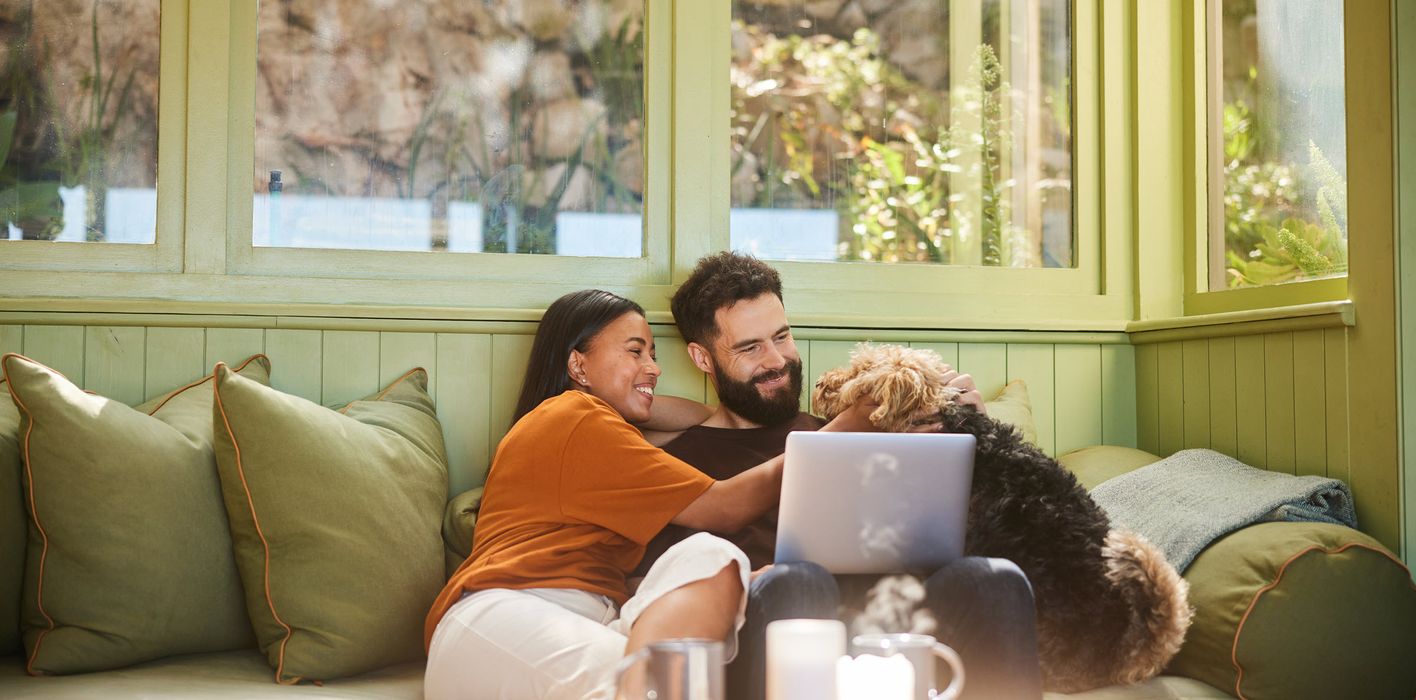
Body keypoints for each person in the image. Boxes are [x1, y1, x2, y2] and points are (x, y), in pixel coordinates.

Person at [423, 289, 876, 700]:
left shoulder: (606, 433)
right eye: (635, 351)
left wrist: (743, 580)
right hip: (506, 615)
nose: (655, 368)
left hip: (600, 619)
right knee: (665, 663)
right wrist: (841, 431)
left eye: (654, 354)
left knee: (710, 557)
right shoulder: (573, 414)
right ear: (578, 365)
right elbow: (725, 507)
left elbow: (698, 416)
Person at [639, 252, 1045, 700]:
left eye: (782, 336)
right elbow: (666, 589)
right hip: (780, 628)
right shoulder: (678, 463)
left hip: (890, 624)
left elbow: (971, 529)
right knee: (797, 581)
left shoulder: (863, 424)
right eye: (750, 347)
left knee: (995, 580)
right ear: (702, 356)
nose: (777, 360)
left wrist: (978, 435)